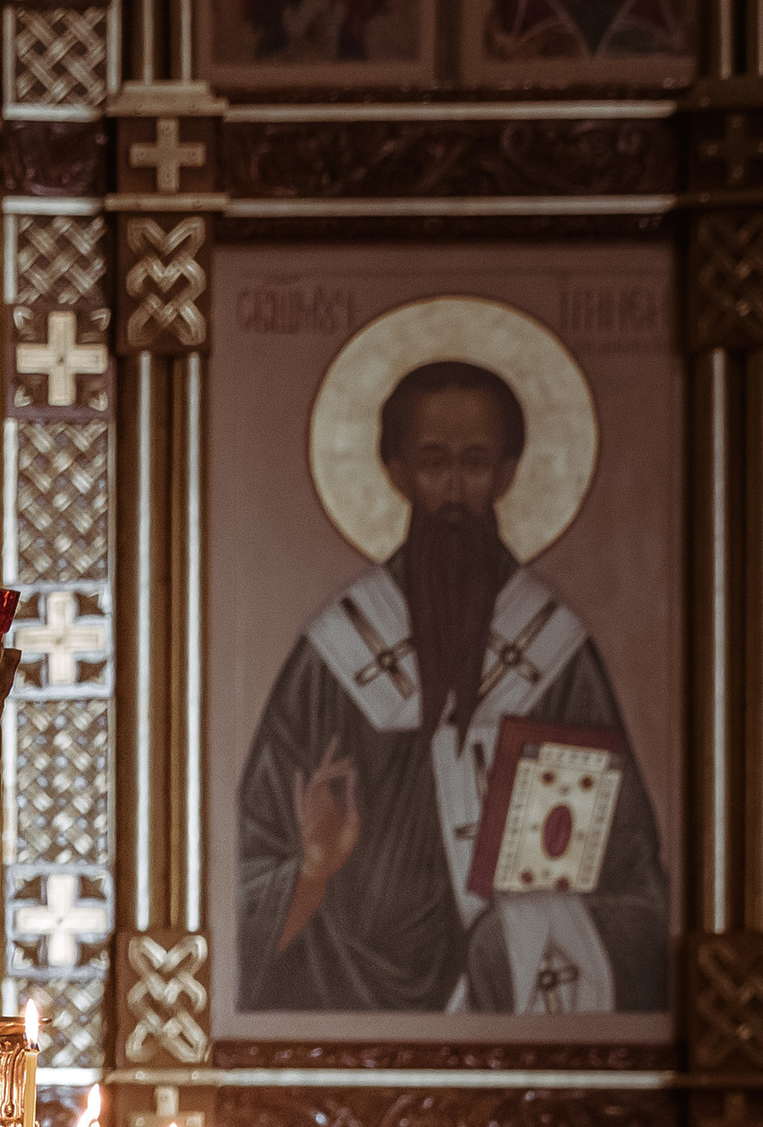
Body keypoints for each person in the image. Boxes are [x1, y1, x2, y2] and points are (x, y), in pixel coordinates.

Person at [236, 356, 665, 1016]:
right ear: (398, 473)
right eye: (434, 463)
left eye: (475, 463)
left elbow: (632, 882)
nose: (457, 491)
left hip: (521, 1001)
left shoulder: (554, 650)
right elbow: (244, 878)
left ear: (507, 474)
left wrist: (514, 940)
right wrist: (313, 871)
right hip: (352, 1011)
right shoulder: (338, 654)